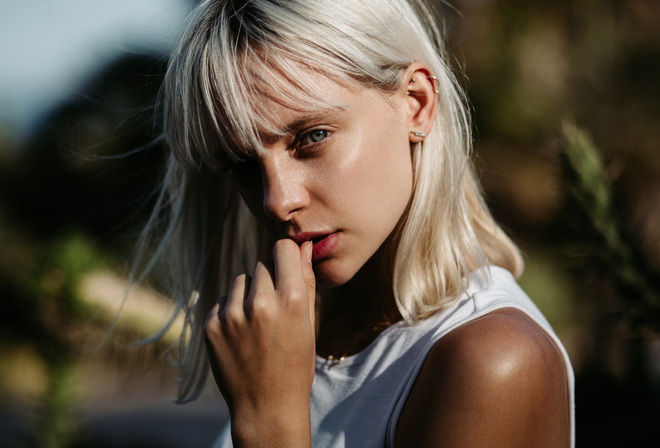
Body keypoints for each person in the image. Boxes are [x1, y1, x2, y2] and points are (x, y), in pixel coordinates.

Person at [138, 0, 575, 446]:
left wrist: (269, 424)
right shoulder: (297, 334)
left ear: (416, 103)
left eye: (312, 137)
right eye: (244, 163)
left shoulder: (494, 359)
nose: (277, 201)